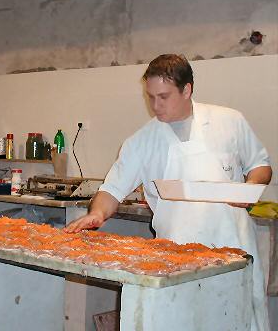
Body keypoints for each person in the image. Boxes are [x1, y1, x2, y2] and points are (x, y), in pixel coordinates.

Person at [64, 54, 272, 331]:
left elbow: (260, 165)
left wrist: (249, 188)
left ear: (187, 89)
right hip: (176, 259)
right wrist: (97, 213)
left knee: (236, 321)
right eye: (150, 97)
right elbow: (112, 189)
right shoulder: (142, 141)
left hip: (233, 253)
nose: (155, 106)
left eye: (163, 97)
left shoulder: (228, 122)